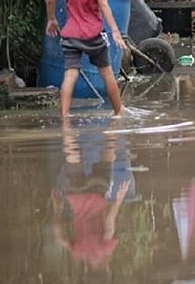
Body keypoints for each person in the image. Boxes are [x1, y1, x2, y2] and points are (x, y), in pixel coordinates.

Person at [46, 0, 127, 117]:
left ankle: (65, 116)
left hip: (70, 35)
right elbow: (104, 5)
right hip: (93, 35)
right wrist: (115, 31)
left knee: (70, 74)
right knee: (107, 74)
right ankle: (118, 113)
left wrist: (51, 20)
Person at [51, 116, 135, 279]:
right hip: (75, 195)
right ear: (88, 271)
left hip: (98, 193)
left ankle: (114, 122)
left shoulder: (105, 249)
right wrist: (58, 209)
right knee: (72, 155)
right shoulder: (77, 252)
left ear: (107, 269)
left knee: (108, 155)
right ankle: (66, 124)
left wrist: (118, 200)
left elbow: (109, 223)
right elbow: (59, 237)